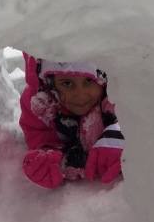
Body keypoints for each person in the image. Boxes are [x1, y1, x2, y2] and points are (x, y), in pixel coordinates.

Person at [18, 53, 125, 189]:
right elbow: (39, 135)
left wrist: (118, 138)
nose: (80, 94)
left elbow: (141, 117)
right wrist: (49, 157)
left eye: (89, 81)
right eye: (67, 83)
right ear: (50, 85)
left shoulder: (116, 99)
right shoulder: (41, 108)